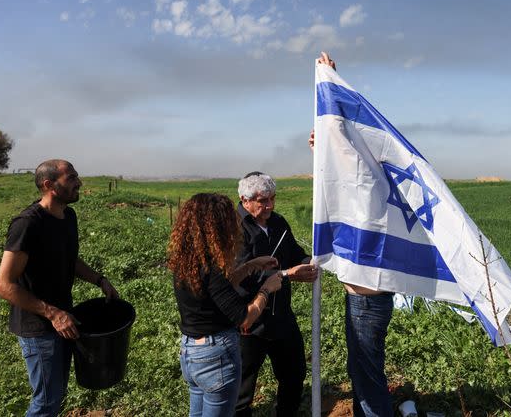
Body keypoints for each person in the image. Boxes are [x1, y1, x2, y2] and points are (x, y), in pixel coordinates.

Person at [0, 159, 119, 417]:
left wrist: (100, 280)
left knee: (55, 396)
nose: (79, 183)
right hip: (39, 327)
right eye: (71, 178)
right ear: (49, 185)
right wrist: (53, 314)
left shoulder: (67, 216)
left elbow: (69, 258)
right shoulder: (28, 223)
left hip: (63, 322)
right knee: (45, 403)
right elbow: (4, 285)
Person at [312, 52, 395, 417]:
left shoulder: (372, 204)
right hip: (364, 301)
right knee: (362, 371)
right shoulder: (376, 203)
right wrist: (324, 147)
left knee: (366, 374)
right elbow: (346, 175)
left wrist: (330, 82)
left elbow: (351, 174)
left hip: (367, 303)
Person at [168, 193, 283, 417]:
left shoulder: (187, 261)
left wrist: (249, 266)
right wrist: (267, 288)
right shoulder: (211, 268)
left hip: (191, 352)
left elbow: (216, 294)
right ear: (216, 226)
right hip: (215, 356)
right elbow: (245, 318)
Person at [234, 172, 319, 417]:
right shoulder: (235, 230)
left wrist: (309, 262)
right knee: (242, 387)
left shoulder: (279, 222)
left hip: (281, 316)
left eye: (273, 198)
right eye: (263, 201)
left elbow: (294, 253)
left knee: (294, 374)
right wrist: (286, 275)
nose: (270, 205)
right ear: (245, 200)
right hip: (249, 320)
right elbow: (240, 276)